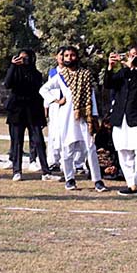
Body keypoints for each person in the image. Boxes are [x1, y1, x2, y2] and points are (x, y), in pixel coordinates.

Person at [39, 46, 108, 192]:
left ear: (77, 57)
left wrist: (93, 117)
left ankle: (97, 180)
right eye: (67, 56)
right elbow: (43, 89)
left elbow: (91, 98)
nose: (70, 58)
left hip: (84, 117)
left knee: (90, 148)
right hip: (66, 118)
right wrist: (56, 100)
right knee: (67, 149)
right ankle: (70, 179)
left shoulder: (85, 75)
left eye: (72, 55)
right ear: (62, 59)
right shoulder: (61, 76)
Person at [3, 49, 60, 182]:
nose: (23, 61)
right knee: (17, 142)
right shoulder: (14, 71)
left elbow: (37, 92)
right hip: (16, 110)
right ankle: (17, 171)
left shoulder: (36, 74)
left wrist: (42, 115)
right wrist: (12, 66)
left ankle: (46, 171)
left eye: (26, 58)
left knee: (38, 141)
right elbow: (7, 84)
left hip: (33, 110)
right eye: (20, 58)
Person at [104, 45, 137, 195]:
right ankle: (132, 184)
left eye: (136, 55)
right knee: (123, 150)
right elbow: (109, 84)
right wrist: (110, 67)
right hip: (121, 117)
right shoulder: (123, 72)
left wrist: (134, 68)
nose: (133, 58)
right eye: (131, 55)